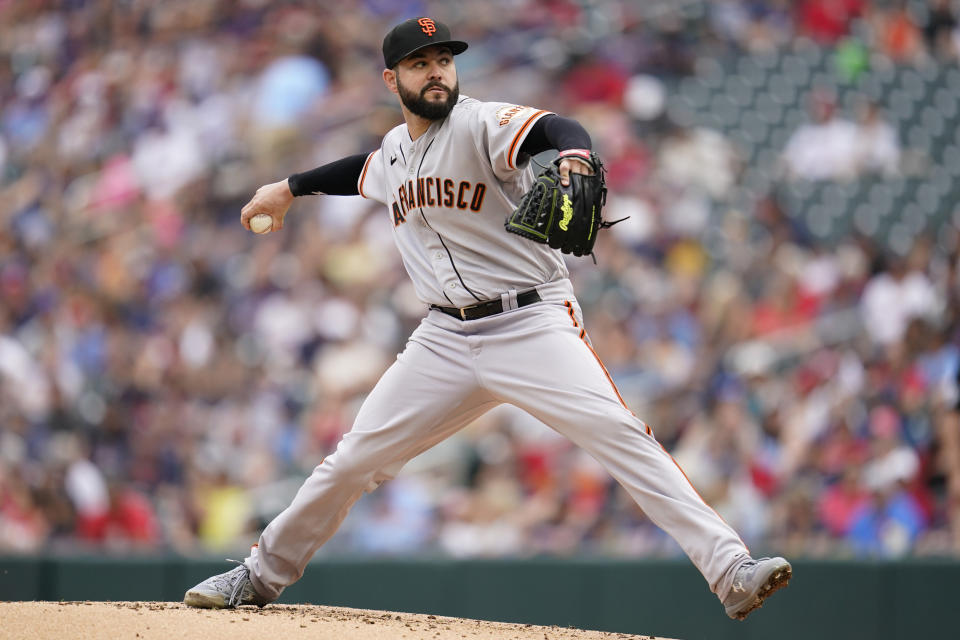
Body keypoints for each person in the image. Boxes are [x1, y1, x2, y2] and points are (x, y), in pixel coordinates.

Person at [183, 17, 791, 621]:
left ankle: (729, 569)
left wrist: (575, 151)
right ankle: (258, 577)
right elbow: (357, 171)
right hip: (444, 337)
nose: (437, 72)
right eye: (421, 64)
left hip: (530, 323)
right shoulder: (395, 151)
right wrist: (289, 187)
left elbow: (553, 126)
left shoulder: (480, 123)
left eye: (444, 60)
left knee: (621, 433)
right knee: (352, 461)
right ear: (392, 79)